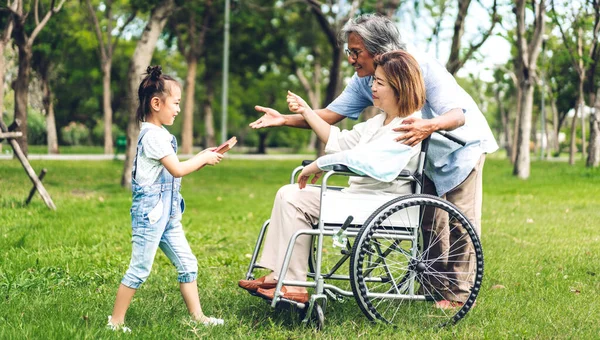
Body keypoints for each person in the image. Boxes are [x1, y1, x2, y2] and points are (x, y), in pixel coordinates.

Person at [249, 14, 498, 309]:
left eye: (356, 52)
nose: (352, 59)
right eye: (349, 52)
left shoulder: (418, 70)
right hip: (416, 151)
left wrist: (425, 127)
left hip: (459, 145)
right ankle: (432, 289)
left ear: (379, 51)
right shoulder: (369, 89)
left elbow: (457, 116)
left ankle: (457, 295)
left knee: (458, 221)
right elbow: (333, 119)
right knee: (431, 224)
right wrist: (286, 118)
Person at [239, 50, 426, 303]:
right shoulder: (379, 122)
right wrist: (306, 112)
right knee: (291, 193)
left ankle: (292, 283)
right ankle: (281, 276)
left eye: (380, 82)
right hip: (361, 200)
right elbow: (339, 141)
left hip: (382, 204)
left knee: (293, 197)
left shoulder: (408, 125)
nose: (372, 86)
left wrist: (321, 163)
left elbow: (371, 162)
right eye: (375, 80)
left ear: (400, 87)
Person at [107, 66, 224, 332]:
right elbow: (178, 169)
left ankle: (198, 317)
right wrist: (202, 159)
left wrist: (203, 155)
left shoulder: (159, 134)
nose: (179, 109)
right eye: (176, 103)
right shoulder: (152, 136)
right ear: (156, 103)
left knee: (187, 263)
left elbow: (176, 167)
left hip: (168, 215)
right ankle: (115, 322)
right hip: (150, 215)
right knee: (139, 269)